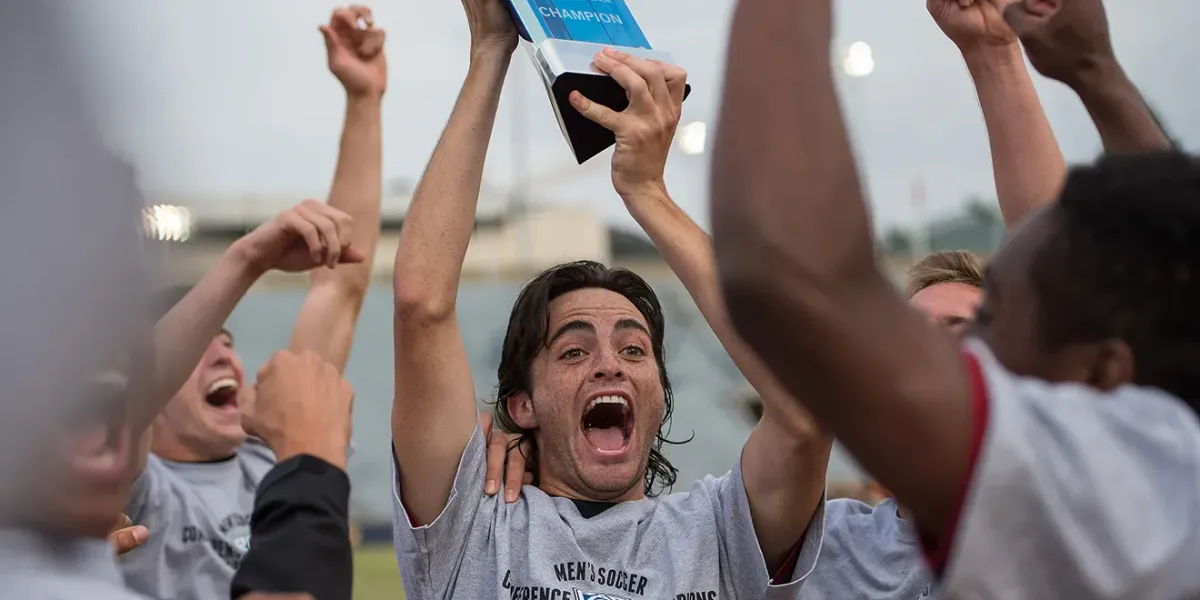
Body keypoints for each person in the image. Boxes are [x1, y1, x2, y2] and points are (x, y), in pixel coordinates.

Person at [712, 0, 1198, 596]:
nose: (940, 361)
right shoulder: (1167, 471)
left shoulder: (1094, 501)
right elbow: (1171, 266)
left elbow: (788, 276)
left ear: (1101, 372)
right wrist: (1084, 68)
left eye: (983, 321)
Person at [387, 0, 827, 597]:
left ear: (660, 397)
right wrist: (490, 50)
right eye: (573, 351)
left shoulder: (718, 534)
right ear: (522, 405)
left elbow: (804, 412)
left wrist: (648, 192)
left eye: (635, 350)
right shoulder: (474, 523)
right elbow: (421, 303)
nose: (609, 364)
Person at [119, 7, 387, 599]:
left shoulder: (273, 462)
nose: (224, 357)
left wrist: (363, 100)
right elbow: (134, 398)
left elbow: (339, 284)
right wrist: (246, 257)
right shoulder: (138, 491)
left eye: (228, 343)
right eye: (199, 348)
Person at [232, 350, 357, 600]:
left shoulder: (262, 455)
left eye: (227, 343)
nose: (224, 356)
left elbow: (303, 381)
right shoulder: (157, 486)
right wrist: (311, 460)